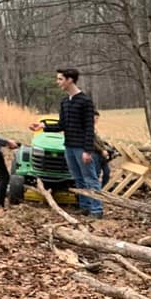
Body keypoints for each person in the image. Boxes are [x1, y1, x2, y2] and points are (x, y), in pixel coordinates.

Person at [29, 67, 102, 218]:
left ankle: (97, 210)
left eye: (60, 79)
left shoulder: (85, 101)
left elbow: (89, 127)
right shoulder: (64, 102)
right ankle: (85, 206)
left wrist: (88, 151)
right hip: (68, 146)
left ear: (70, 80)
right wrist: (43, 126)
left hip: (82, 148)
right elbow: (62, 125)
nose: (58, 82)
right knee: (78, 179)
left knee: (90, 179)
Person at [93, 110, 118, 188]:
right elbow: (92, 142)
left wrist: (106, 144)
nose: (97, 120)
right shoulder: (87, 128)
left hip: (101, 154)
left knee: (107, 172)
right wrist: (102, 150)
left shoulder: (93, 128)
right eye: (96, 118)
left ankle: (103, 189)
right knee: (96, 173)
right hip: (95, 154)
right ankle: (94, 191)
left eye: (97, 118)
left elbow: (98, 140)